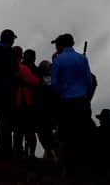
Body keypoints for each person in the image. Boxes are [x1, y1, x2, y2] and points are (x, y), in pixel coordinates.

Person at [51, 33, 95, 172]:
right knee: (83, 134)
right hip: (82, 101)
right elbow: (89, 81)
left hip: (66, 102)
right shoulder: (82, 59)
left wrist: (61, 94)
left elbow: (54, 83)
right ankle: (85, 166)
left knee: (65, 135)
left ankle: (66, 168)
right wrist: (86, 97)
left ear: (61, 45)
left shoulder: (58, 60)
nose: (56, 47)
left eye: (57, 44)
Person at [12, 46, 40, 157]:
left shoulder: (10, 67)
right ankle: (31, 154)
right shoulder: (28, 69)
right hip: (28, 102)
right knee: (29, 129)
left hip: (15, 102)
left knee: (18, 130)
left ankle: (17, 152)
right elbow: (36, 81)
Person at [35, 60, 58, 161]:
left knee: (45, 133)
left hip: (45, 111)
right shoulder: (53, 80)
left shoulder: (39, 81)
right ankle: (51, 152)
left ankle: (50, 152)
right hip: (49, 110)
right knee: (46, 133)